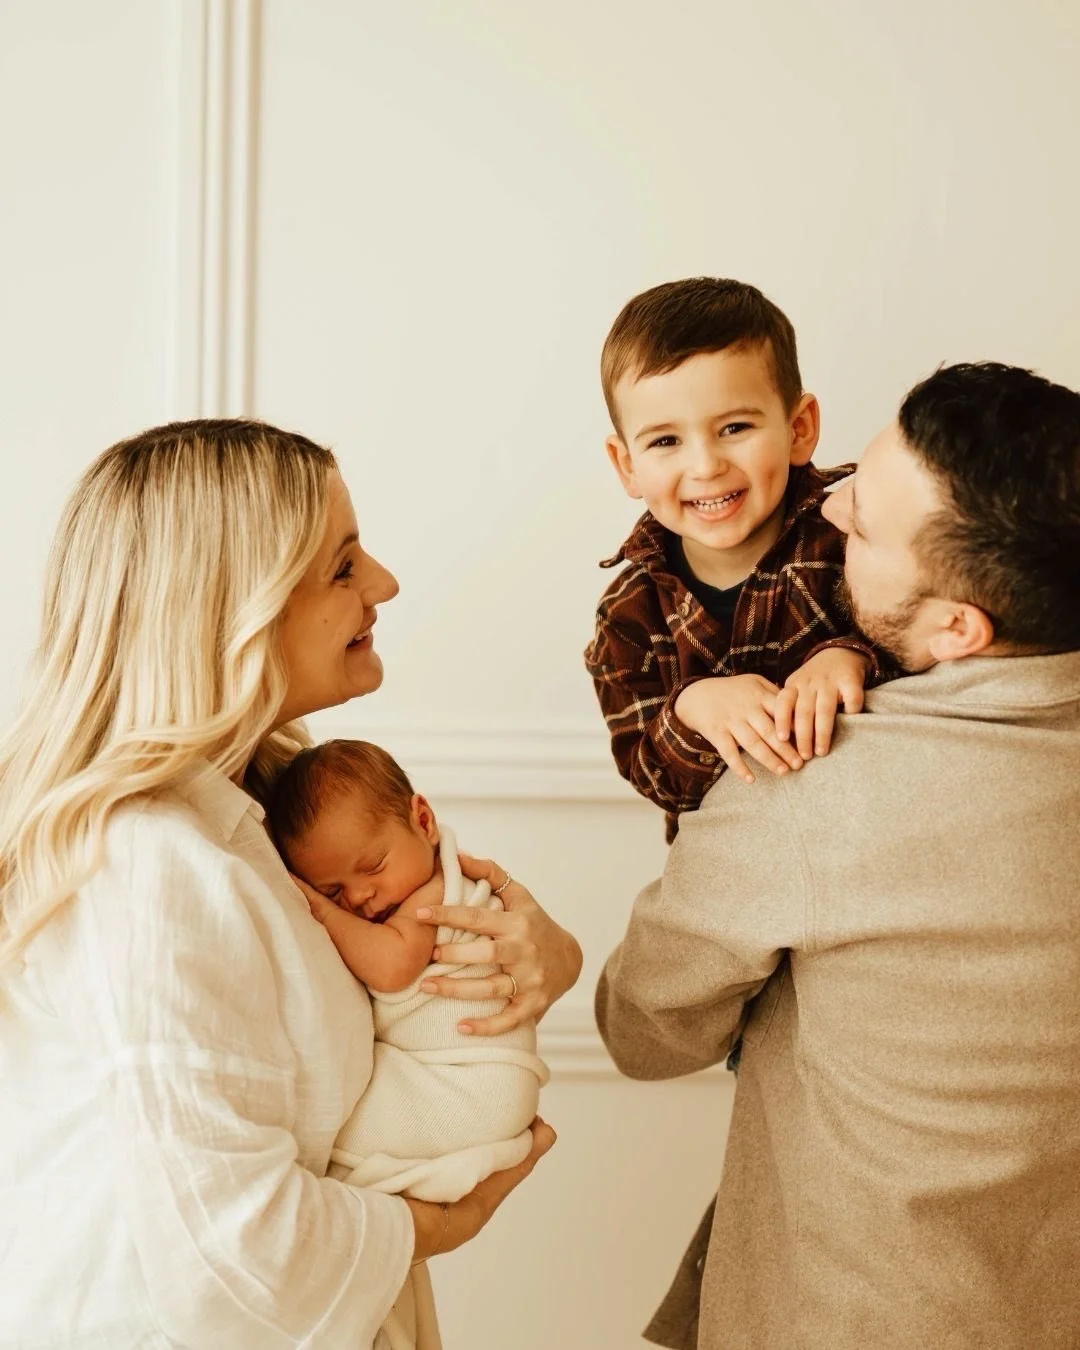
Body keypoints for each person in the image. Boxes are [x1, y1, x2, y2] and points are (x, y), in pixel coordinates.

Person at [0, 419, 581, 1350]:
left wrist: (542, 956)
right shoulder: (147, 864)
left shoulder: (266, 808)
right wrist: (437, 1227)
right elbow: (225, 1259)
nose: (384, 585)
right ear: (233, 609)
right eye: (344, 568)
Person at [596, 361, 1080, 1350]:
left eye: (862, 524)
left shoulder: (811, 785)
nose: (835, 501)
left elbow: (645, 1034)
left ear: (956, 627)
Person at [585, 277, 886, 845]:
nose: (705, 466)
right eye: (665, 442)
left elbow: (939, 647)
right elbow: (656, 780)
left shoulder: (856, 533)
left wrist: (852, 657)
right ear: (625, 464)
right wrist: (691, 708)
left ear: (799, 429)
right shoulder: (628, 613)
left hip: (869, 849)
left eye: (734, 428)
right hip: (733, 876)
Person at [267, 738, 549, 1204]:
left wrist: (321, 908)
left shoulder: (433, 896)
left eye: (373, 867)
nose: (359, 898)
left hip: (469, 1086)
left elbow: (394, 968)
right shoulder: (411, 884)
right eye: (334, 890)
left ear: (423, 821)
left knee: (328, 1137)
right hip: (466, 1082)